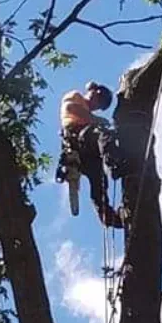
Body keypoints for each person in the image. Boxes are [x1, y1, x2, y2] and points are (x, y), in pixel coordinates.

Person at [58, 82, 128, 228]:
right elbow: (70, 108)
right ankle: (113, 161)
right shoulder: (76, 96)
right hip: (77, 137)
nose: (96, 106)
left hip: (88, 153)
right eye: (99, 100)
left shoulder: (89, 115)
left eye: (100, 106)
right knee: (101, 135)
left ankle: (108, 217)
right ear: (95, 92)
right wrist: (96, 120)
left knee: (100, 180)